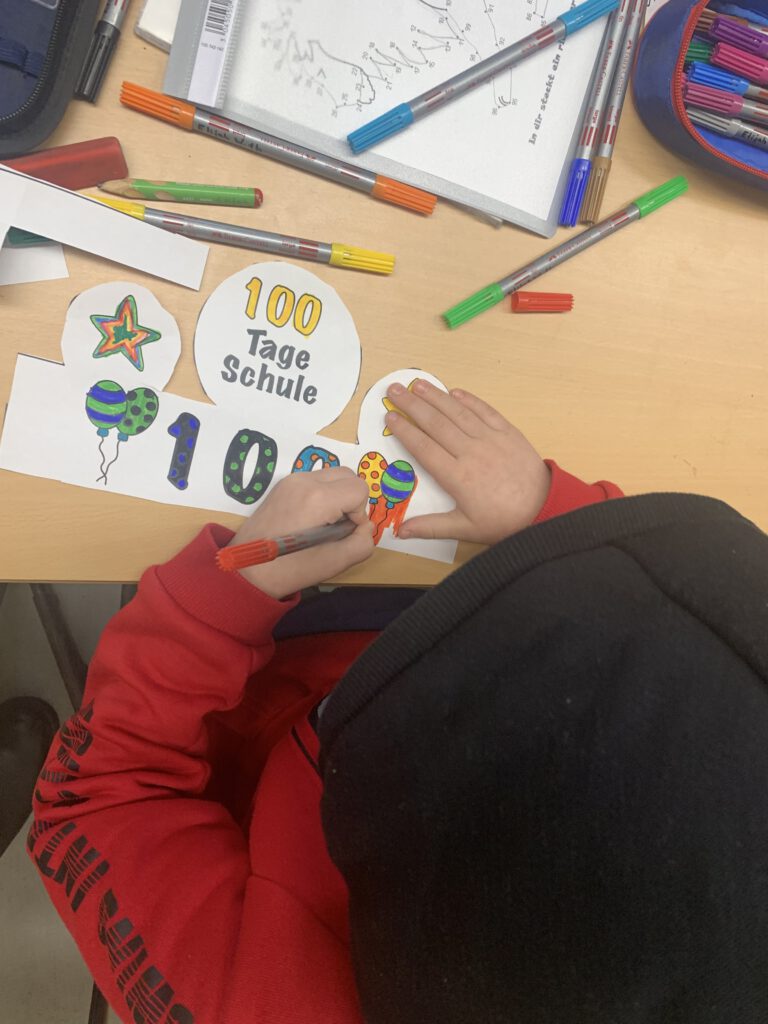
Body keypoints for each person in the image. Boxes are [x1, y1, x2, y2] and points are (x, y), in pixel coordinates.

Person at [28, 380, 768, 1024]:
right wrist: (555, 519)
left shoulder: (270, 1001)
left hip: (259, 663)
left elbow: (89, 804)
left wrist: (239, 579)